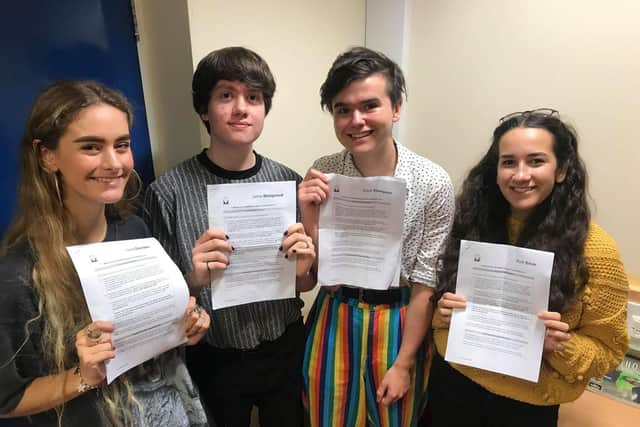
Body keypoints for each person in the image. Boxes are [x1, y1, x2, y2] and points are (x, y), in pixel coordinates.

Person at [0, 80, 210, 427]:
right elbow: (8, 399)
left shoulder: (134, 231)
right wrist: (82, 376)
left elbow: (151, 334)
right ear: (47, 156)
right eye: (91, 147)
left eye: (122, 145)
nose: (114, 163)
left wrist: (185, 325)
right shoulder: (20, 273)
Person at [143, 46, 315, 427]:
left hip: (284, 344)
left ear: (264, 110)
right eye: (226, 95)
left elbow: (305, 282)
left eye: (253, 97)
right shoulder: (167, 192)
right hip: (213, 355)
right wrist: (193, 278)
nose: (241, 108)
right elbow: (158, 301)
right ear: (204, 109)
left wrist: (305, 268)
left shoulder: (289, 182)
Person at [429, 109, 630, 426]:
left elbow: (609, 351)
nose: (520, 175)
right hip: (451, 386)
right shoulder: (470, 224)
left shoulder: (596, 250)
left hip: (525, 409)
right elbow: (440, 311)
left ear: (561, 169)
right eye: (508, 162)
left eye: (536, 161)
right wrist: (442, 315)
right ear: (495, 170)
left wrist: (559, 347)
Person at [298, 47, 455, 427]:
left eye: (370, 106)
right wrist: (308, 217)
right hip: (335, 311)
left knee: (395, 418)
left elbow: (425, 284)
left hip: (400, 319)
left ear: (396, 108)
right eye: (342, 109)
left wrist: (404, 364)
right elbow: (316, 272)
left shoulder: (433, 182)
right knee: (325, 417)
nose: (356, 120)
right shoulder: (324, 171)